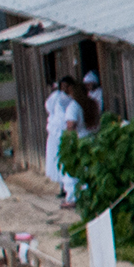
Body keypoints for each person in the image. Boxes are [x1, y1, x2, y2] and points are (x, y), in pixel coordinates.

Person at [48, 76, 82, 206]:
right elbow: (49, 107)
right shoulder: (58, 97)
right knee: (60, 161)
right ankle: (63, 188)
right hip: (59, 132)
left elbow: (71, 123)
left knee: (70, 165)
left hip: (69, 134)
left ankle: (72, 195)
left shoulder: (75, 104)